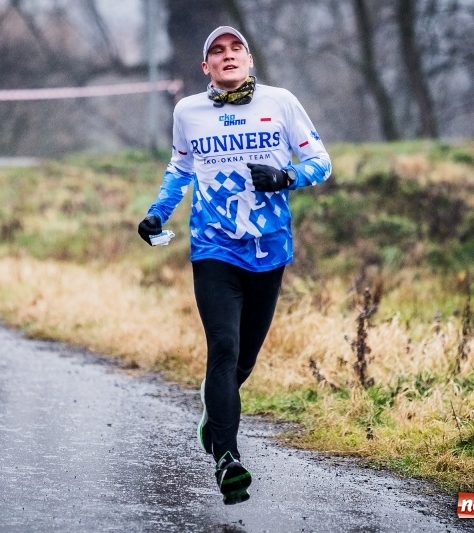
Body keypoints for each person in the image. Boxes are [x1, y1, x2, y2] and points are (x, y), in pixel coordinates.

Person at [137, 26, 332, 504]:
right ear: (206, 67)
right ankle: (228, 459)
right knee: (223, 348)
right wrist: (157, 213)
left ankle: (213, 409)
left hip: (269, 250)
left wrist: (287, 175)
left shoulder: (281, 102)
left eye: (235, 49)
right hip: (213, 249)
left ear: (249, 59)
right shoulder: (189, 111)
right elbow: (180, 169)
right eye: (216, 52)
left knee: (243, 360)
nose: (227, 56)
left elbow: (322, 162)